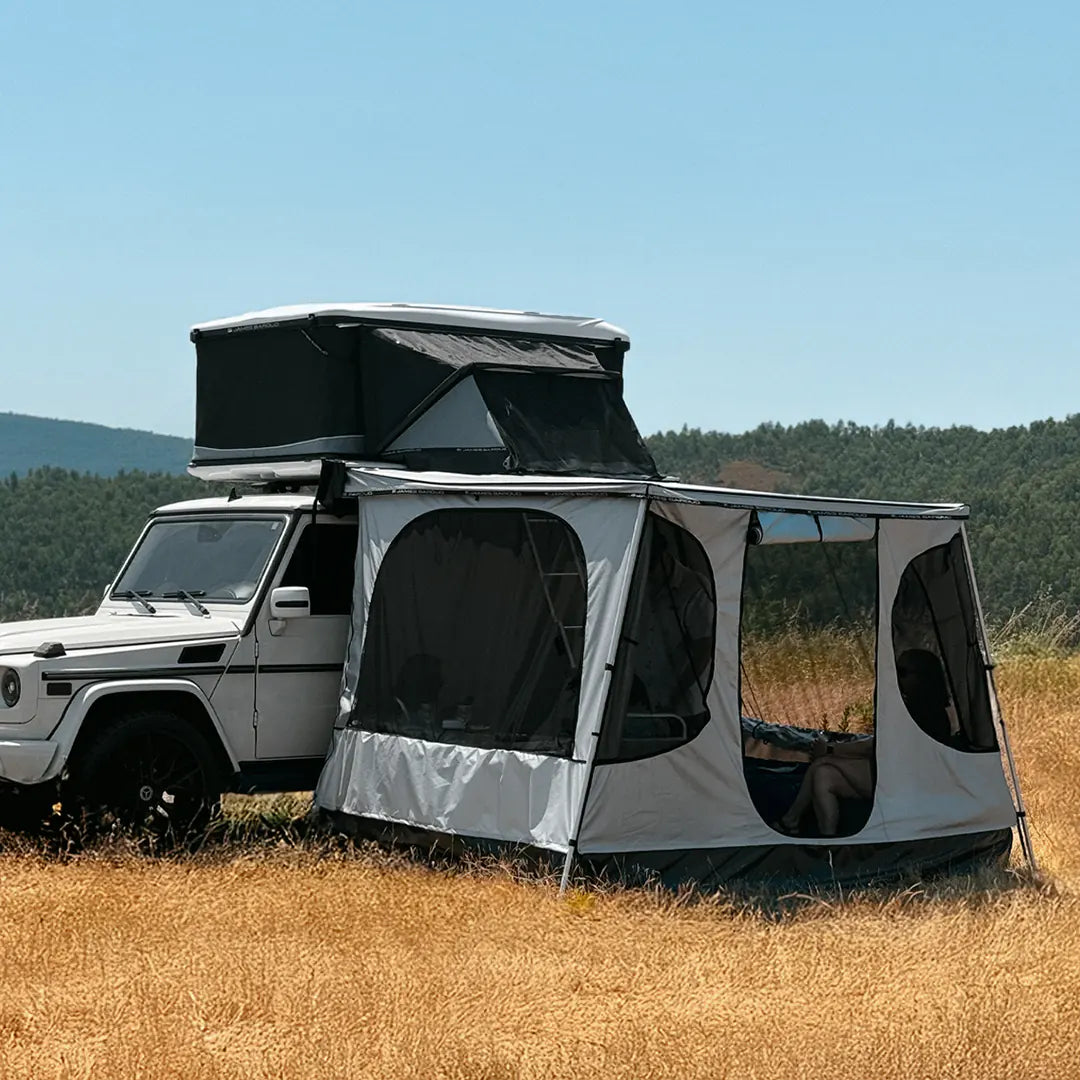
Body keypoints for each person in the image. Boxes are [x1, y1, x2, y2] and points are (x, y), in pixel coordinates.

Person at [775, 734, 874, 837]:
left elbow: (870, 747)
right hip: (875, 774)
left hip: (885, 782)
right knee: (823, 774)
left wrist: (829, 749)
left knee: (824, 759)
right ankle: (827, 838)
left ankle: (790, 820)